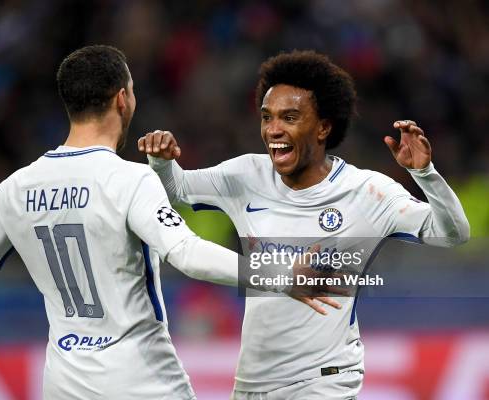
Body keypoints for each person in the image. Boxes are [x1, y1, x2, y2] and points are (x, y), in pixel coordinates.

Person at [0, 46, 340, 400]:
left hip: (64, 383)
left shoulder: (17, 187)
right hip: (140, 380)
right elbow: (185, 253)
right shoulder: (129, 179)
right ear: (122, 98)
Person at [138, 50, 470, 399]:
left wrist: (425, 174)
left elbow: (453, 234)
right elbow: (177, 189)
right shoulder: (245, 175)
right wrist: (161, 162)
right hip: (254, 381)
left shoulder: (367, 191)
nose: (274, 130)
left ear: (323, 126)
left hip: (324, 380)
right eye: (267, 117)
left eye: (290, 117)